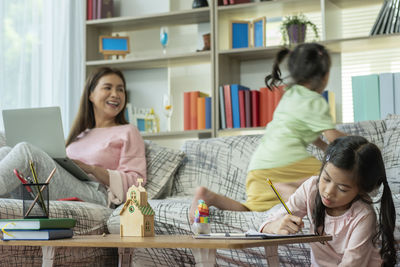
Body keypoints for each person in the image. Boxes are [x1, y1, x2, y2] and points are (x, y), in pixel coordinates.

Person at [189, 42, 345, 223]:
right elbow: (335, 140)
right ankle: (288, 189)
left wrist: (324, 146)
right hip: (286, 162)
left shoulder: (290, 95)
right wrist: (359, 143)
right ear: (325, 76)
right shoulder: (315, 101)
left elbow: (308, 134)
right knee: (332, 179)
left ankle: (209, 197)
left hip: (259, 167)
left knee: (250, 211)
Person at [0, 67, 146, 207]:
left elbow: (136, 181)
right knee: (6, 151)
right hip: (63, 183)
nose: (115, 94)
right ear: (91, 95)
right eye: (108, 87)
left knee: (26, 151)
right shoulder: (80, 135)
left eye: (120, 89)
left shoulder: (128, 131)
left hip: (96, 194)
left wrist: (91, 169)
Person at [260, 136, 397, 267]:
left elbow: (351, 264)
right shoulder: (311, 189)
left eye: (342, 188)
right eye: (326, 179)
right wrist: (275, 226)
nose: (328, 192)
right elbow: (267, 225)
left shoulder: (364, 215)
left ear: (361, 190)